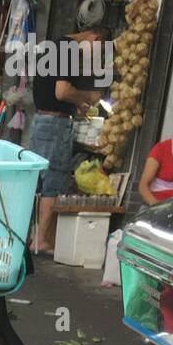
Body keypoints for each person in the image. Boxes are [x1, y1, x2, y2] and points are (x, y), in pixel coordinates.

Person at [29, 27, 107, 254]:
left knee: (39, 182)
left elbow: (54, 92)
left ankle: (32, 238)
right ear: (95, 37)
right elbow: (62, 92)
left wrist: (76, 105)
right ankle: (40, 240)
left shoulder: (54, 44)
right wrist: (88, 97)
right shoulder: (69, 49)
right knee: (52, 181)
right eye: (99, 49)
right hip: (55, 125)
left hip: (42, 120)